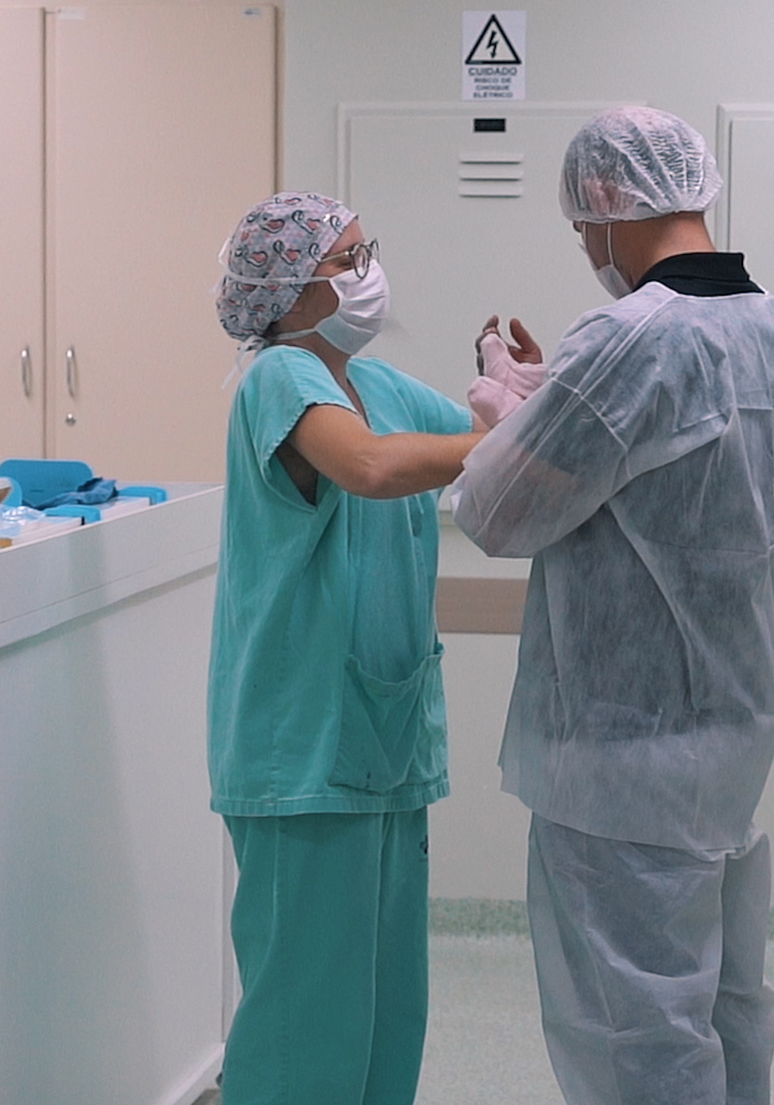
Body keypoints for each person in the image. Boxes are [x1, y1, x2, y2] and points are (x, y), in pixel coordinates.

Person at [453, 107, 774, 1105]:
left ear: (610, 196)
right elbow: (669, 473)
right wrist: (551, 403)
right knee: (724, 1007)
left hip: (620, 753)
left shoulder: (630, 335)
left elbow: (496, 512)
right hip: (730, 730)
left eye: (583, 226)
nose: (588, 248)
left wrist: (501, 414)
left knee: (634, 1033)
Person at [207, 192, 483, 1105]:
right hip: (304, 750)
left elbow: (480, 443)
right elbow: (371, 466)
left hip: (383, 741)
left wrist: (512, 396)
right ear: (289, 291)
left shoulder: (381, 387)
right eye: (349, 260)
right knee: (306, 1033)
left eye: (370, 251)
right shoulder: (281, 378)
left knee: (385, 1021)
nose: (370, 275)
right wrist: (497, 436)